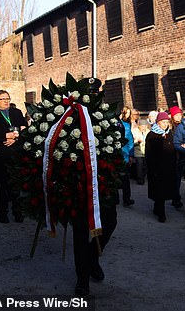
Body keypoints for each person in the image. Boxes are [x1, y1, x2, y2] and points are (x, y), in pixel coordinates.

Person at [71, 77, 118, 297]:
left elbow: (118, 143)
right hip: (79, 185)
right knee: (80, 232)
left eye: (96, 92)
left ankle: (93, 258)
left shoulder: (107, 117)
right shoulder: (70, 117)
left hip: (104, 182)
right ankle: (82, 279)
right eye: (89, 92)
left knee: (109, 222)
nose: (93, 96)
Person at [0, 90, 27, 223]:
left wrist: (16, 138)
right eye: (3, 99)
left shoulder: (17, 112)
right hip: (0, 156)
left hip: (15, 154)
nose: (6, 101)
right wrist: (5, 136)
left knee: (16, 186)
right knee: (2, 186)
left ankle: (17, 212)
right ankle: (2, 212)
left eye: (7, 98)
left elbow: (24, 128)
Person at [145, 111, 176, 222]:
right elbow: (149, 153)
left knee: (164, 190)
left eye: (167, 122)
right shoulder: (152, 135)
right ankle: (161, 213)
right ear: (158, 122)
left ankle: (157, 207)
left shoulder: (169, 133)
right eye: (163, 122)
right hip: (157, 168)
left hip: (168, 167)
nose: (165, 124)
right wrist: (151, 168)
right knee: (159, 189)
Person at [119, 106, 135, 207]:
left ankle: (126, 198)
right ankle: (125, 198)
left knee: (124, 178)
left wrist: (130, 155)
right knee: (123, 178)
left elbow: (130, 141)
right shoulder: (123, 125)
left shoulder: (127, 125)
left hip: (124, 154)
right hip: (120, 154)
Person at [131, 117, 149, 185]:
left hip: (146, 151)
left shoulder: (148, 131)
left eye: (145, 126)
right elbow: (132, 141)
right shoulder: (134, 131)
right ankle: (140, 179)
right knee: (139, 165)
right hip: (138, 151)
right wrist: (137, 142)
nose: (143, 128)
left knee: (145, 165)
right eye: (142, 126)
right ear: (139, 126)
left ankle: (143, 177)